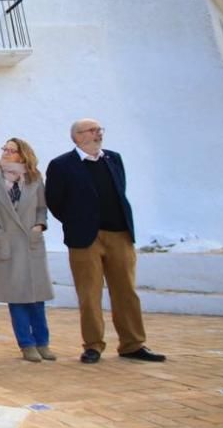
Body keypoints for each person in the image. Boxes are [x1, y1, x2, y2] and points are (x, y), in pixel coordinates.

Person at [45, 119, 165, 364]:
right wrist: (77, 221)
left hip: (120, 234)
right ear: (77, 137)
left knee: (126, 292)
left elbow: (120, 190)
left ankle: (133, 344)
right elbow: (54, 201)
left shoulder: (114, 158)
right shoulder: (61, 165)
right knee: (89, 294)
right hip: (85, 239)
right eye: (92, 130)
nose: (98, 134)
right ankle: (93, 345)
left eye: (100, 130)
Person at [0, 138, 55, 363]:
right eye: (4, 149)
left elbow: (42, 207)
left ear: (22, 155)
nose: (5, 153)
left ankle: (43, 342)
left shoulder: (34, 178)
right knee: (16, 296)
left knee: (36, 296)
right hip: (7, 243)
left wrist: (39, 226)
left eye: (11, 150)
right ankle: (26, 343)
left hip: (31, 243)